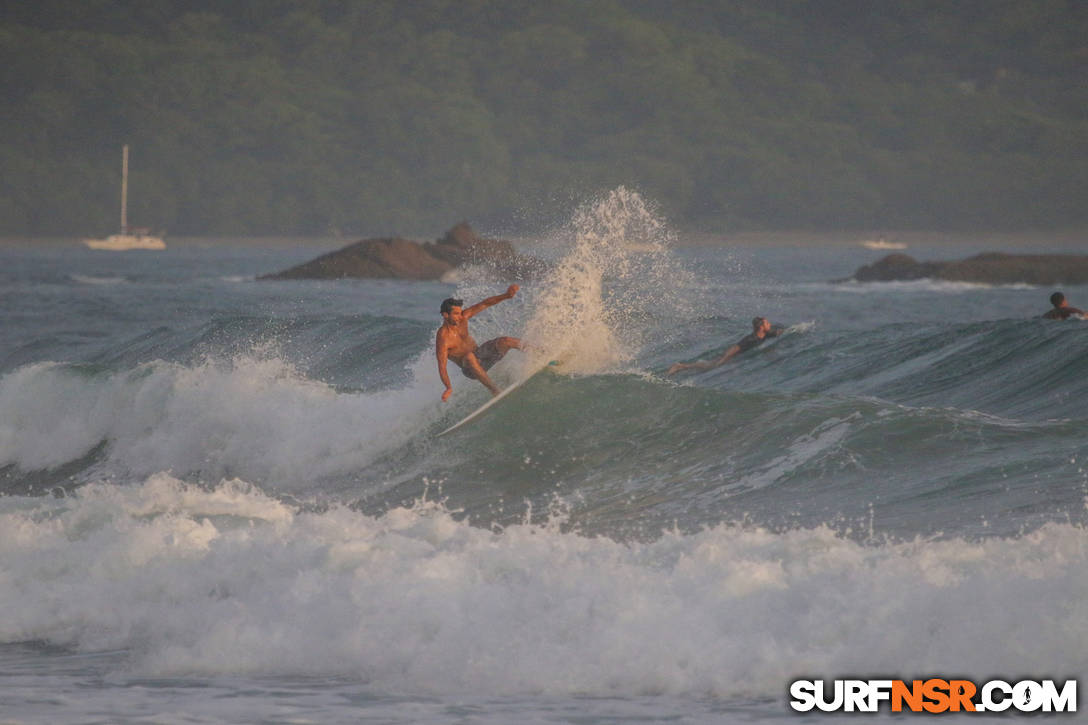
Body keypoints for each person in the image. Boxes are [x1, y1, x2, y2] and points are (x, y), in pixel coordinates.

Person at [436, 285, 525, 400]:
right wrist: (448, 387)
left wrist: (506, 295)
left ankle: (540, 352)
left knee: (506, 341)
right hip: (470, 369)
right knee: (469, 357)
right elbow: (442, 367)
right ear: (445, 315)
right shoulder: (443, 339)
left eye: (460, 312)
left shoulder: (463, 318)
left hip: (483, 356)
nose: (460, 316)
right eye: (456, 314)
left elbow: (485, 304)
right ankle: (495, 391)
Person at [666, 316, 784, 376]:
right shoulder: (751, 338)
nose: (770, 324)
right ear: (761, 327)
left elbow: (776, 333)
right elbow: (736, 348)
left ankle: (682, 367)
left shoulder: (765, 335)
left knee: (709, 365)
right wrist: (723, 360)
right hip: (731, 356)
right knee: (710, 366)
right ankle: (680, 366)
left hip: (738, 358)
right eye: (767, 323)